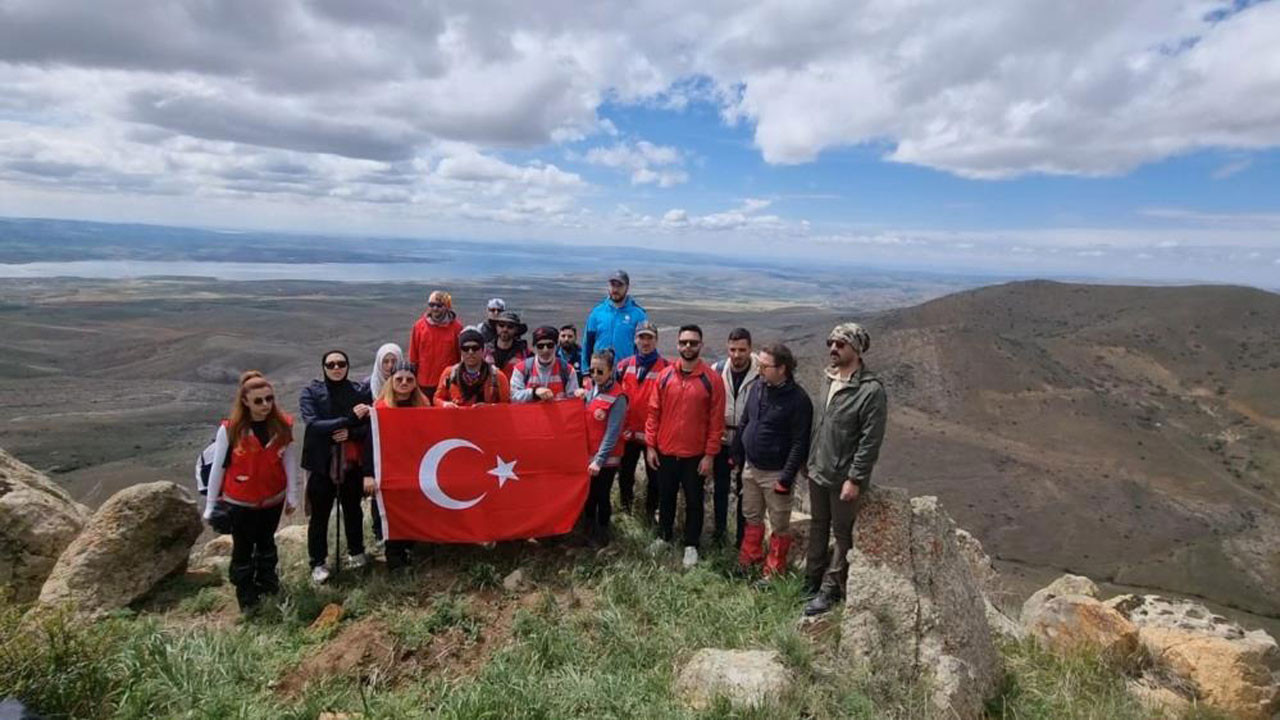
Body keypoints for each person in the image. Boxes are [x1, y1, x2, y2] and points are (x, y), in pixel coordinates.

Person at [804, 323, 887, 616]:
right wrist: (809, 459)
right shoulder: (829, 379)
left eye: (840, 344)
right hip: (818, 469)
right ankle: (810, 581)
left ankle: (830, 590)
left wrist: (855, 478)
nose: (833, 349)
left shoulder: (870, 390)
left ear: (856, 348)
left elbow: (870, 441)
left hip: (843, 478)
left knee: (841, 534)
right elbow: (822, 425)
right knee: (817, 525)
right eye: (831, 343)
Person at [202, 371, 299, 613]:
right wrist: (211, 505)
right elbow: (217, 468)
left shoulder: (282, 424)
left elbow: (288, 460)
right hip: (240, 501)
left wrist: (293, 494)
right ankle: (246, 596)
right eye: (258, 401)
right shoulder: (231, 429)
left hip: (272, 498)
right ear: (244, 401)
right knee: (243, 548)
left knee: (267, 544)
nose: (265, 405)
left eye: (269, 399)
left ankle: (268, 585)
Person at [645, 324, 726, 569]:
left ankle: (691, 545)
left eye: (693, 342)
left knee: (693, 500)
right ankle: (664, 536)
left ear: (700, 345)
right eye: (684, 342)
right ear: (677, 344)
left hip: (695, 455)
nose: (688, 347)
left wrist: (710, 455)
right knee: (666, 496)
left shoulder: (711, 380)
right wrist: (650, 446)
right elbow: (653, 413)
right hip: (667, 451)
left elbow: (716, 421)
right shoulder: (665, 376)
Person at [731, 343, 813, 580]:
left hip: (776, 473)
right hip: (751, 466)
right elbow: (746, 420)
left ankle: (773, 573)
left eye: (765, 366)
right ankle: (749, 561)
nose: (760, 369)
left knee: (779, 524)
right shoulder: (758, 387)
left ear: (782, 369)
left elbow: (799, 443)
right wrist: (736, 454)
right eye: (760, 365)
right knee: (752, 516)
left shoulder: (798, 400)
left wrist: (786, 479)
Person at [300, 350, 372, 585]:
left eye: (341, 363)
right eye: (331, 364)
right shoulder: (311, 392)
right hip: (322, 464)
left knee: (353, 509)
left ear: (347, 366)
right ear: (324, 367)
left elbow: (369, 427)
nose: (336, 368)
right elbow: (313, 424)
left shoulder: (359, 391)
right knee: (319, 515)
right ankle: (318, 562)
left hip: (351, 463)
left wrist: (350, 432)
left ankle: (356, 551)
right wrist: (348, 420)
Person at [364, 359, 429, 570]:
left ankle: (410, 547)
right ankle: (395, 558)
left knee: (412, 510)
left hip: (414, 470)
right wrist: (368, 474)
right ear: (391, 381)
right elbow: (370, 444)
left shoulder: (423, 408)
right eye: (399, 379)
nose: (404, 383)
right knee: (392, 513)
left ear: (415, 383)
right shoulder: (380, 409)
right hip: (388, 471)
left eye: (409, 380)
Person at [711, 328, 760, 545]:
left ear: (750, 348)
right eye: (733, 349)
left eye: (742, 350)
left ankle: (742, 540)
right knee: (720, 489)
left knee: (746, 493)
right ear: (727, 348)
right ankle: (719, 533)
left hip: (749, 442)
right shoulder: (717, 370)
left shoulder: (761, 373)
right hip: (722, 439)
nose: (737, 355)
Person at [615, 321, 668, 517]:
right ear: (635, 339)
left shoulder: (666, 369)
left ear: (656, 340)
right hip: (628, 433)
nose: (645, 342)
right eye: (641, 337)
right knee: (625, 475)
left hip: (652, 436)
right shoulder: (623, 366)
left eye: (649, 338)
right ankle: (625, 512)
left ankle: (650, 515)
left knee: (654, 478)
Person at [582, 349, 628, 547]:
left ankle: (602, 534)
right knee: (589, 495)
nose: (595, 375)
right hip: (589, 457)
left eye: (600, 372)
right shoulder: (590, 390)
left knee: (602, 495)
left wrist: (599, 461)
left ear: (611, 371)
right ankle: (588, 530)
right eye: (592, 371)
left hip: (606, 460)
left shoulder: (618, 397)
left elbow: (612, 433)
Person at [365, 342, 403, 552]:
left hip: (400, 453)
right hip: (379, 451)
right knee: (378, 493)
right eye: (386, 361)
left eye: (393, 361)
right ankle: (380, 533)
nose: (389, 365)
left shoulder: (408, 385)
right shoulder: (367, 388)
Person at [582, 270, 647, 369]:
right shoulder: (597, 312)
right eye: (613, 285)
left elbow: (643, 346)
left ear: (627, 287)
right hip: (600, 372)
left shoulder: (638, 315)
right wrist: (586, 371)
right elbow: (587, 344)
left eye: (619, 286)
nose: (615, 289)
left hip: (626, 372)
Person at [408, 290, 463, 402]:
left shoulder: (457, 328)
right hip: (424, 383)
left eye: (439, 305)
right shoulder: (419, 327)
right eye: (431, 305)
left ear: (447, 307)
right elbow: (413, 357)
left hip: (448, 382)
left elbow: (461, 357)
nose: (435, 308)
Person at [438, 328, 512, 407]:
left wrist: (490, 407)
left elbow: (507, 405)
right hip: (457, 417)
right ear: (461, 351)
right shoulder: (450, 373)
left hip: (487, 418)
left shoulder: (497, 376)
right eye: (465, 349)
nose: (470, 352)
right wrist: (445, 404)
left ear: (482, 350)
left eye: (475, 348)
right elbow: (437, 398)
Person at [512, 326, 582, 402]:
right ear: (534, 348)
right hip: (530, 413)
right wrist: (533, 392)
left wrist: (580, 394)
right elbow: (514, 397)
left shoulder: (567, 370)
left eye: (550, 345)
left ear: (556, 346)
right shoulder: (521, 369)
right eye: (540, 346)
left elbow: (573, 401)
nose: (545, 350)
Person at [485, 310, 530, 374]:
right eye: (501, 325)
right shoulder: (484, 351)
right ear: (496, 327)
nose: (505, 329)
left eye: (510, 327)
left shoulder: (525, 353)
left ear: (516, 330)